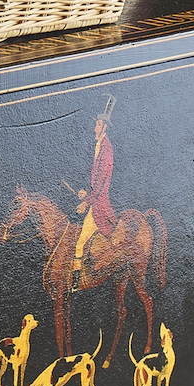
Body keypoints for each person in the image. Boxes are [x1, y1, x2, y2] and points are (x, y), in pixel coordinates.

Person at [73, 103, 117, 286]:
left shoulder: (106, 150)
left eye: (98, 125)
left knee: (79, 243)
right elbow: (96, 183)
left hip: (99, 206)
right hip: (95, 200)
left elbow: (100, 186)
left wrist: (86, 202)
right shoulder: (99, 146)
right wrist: (86, 193)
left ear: (104, 127)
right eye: (96, 124)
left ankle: (75, 284)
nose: (95, 128)